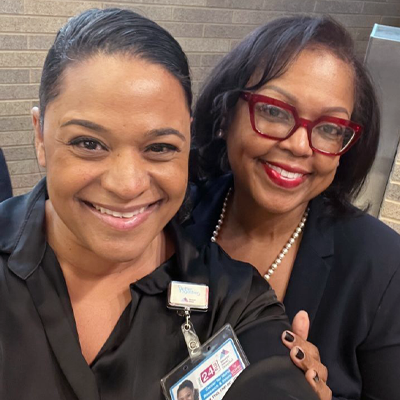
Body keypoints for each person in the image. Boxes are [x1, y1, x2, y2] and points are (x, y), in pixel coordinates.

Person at [0, 8, 319, 400]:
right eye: (88, 144)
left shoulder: (235, 300)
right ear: (40, 137)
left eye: (160, 147)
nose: (127, 184)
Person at [187, 15, 400, 400]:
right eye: (274, 111)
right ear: (225, 114)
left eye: (330, 128)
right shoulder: (169, 218)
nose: (301, 145)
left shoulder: (382, 267)